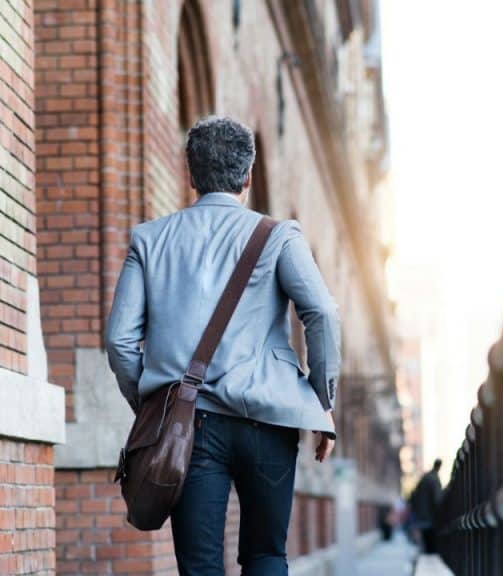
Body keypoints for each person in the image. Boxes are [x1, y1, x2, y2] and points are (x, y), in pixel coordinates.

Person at [105, 115, 341, 575]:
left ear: (190, 175)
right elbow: (323, 313)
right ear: (249, 178)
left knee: (199, 565)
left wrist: (156, 404)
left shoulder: (149, 239)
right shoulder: (279, 236)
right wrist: (322, 398)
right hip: (269, 420)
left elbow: (119, 341)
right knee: (266, 554)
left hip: (190, 424)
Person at [409, 459, 444, 554]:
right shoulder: (434, 478)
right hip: (430, 514)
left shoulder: (426, 477)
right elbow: (437, 498)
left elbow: (416, 494)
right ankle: (429, 554)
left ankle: (427, 553)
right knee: (431, 541)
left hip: (422, 513)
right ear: (439, 466)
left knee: (426, 538)